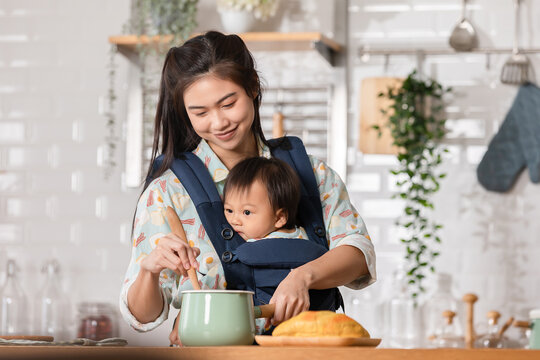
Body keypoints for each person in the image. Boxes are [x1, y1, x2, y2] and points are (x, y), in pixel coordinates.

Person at [119, 31, 377, 346]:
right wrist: (149, 269)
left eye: (228, 104)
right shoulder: (167, 193)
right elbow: (142, 317)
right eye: (200, 113)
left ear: (252, 87)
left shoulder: (311, 175)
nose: (218, 122)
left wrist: (302, 276)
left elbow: (359, 256)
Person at [223, 156, 301, 242]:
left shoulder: (259, 248)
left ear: (279, 217)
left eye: (247, 212)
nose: (234, 221)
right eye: (229, 210)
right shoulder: (301, 235)